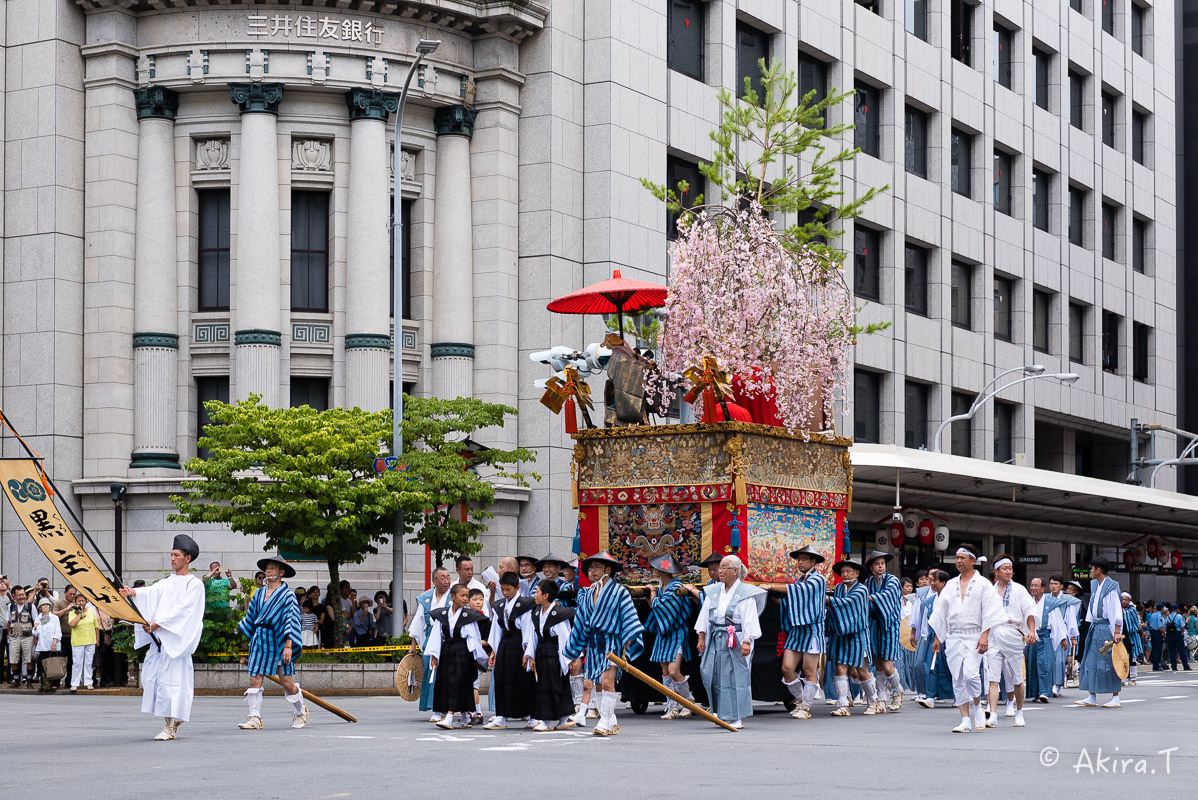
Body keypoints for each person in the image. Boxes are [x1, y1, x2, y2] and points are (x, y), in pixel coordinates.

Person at [119, 534, 207, 741]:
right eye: (171, 555)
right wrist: (133, 592)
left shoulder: (194, 584)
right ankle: (169, 723)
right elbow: (151, 592)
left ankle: (170, 727)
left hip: (175, 643)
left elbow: (185, 610)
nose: (172, 558)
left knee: (172, 683)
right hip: (161, 642)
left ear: (188, 558)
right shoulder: (168, 581)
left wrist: (159, 624)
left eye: (176, 555)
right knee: (156, 681)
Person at [562, 551, 645, 736]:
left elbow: (629, 618)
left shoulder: (620, 591)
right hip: (593, 643)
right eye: (590, 568)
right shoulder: (589, 592)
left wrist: (627, 640)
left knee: (608, 682)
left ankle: (605, 720)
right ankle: (609, 719)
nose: (591, 572)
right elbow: (581, 621)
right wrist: (574, 647)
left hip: (612, 641)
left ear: (608, 569)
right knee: (598, 683)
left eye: (596, 568)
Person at [929, 544, 1007, 733]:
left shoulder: (983, 584)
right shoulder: (951, 585)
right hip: (954, 635)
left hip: (974, 634)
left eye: (962, 558)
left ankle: (977, 705)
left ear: (973, 561)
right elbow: (941, 612)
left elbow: (991, 611)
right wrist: (938, 636)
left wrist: (985, 635)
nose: (958, 561)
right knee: (958, 677)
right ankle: (964, 719)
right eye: (956, 558)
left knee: (971, 674)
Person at [237, 555, 307, 730]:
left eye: (272, 568)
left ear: (281, 572)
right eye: (267, 568)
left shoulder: (288, 595)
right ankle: (254, 717)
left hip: (279, 640)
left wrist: (288, 645)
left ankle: (300, 712)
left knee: (286, 682)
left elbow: (291, 620)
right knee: (254, 679)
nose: (268, 571)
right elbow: (251, 616)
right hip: (260, 638)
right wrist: (246, 636)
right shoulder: (259, 593)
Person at [695, 555, 765, 730]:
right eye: (720, 567)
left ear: (735, 571)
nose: (720, 571)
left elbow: (750, 619)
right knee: (712, 672)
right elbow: (705, 615)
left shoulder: (745, 593)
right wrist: (701, 636)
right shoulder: (714, 591)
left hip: (736, 637)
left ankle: (736, 716)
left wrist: (747, 641)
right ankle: (721, 712)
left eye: (724, 567)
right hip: (716, 636)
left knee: (735, 677)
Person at [760, 544, 826, 720]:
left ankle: (806, 706)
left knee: (809, 670)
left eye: (805, 559)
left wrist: (771, 586)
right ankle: (800, 699)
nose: (800, 562)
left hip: (812, 628)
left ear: (813, 561)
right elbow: (790, 601)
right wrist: (771, 596)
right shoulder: (799, 580)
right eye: (799, 559)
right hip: (797, 629)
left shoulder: (817, 579)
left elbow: (798, 592)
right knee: (787, 668)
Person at [426, 584, 489, 730]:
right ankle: (466, 716)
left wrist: (476, 658)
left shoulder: (469, 616)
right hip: (447, 651)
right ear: (452, 597)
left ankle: (449, 716)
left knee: (458, 683)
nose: (465, 599)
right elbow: (436, 635)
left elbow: (474, 637)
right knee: (448, 683)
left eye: (467, 596)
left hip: (463, 653)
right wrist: (435, 655)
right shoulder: (442, 614)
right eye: (462, 595)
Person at [984, 555, 1036, 728]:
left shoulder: (1019, 590)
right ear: (996, 572)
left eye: (1010, 568)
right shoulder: (989, 591)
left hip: (1013, 633)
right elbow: (983, 615)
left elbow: (1029, 611)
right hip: (994, 634)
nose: (1008, 571)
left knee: (1017, 678)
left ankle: (1019, 711)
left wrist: (1032, 631)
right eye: (1004, 568)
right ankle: (992, 714)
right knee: (993, 679)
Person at [644, 553, 695, 720]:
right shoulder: (661, 588)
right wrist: (653, 595)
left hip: (676, 631)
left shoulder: (675, 587)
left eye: (657, 569)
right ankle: (671, 706)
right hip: (663, 632)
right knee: (665, 671)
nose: (655, 571)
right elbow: (657, 610)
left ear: (662, 571)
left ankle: (688, 701)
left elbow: (661, 607)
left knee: (674, 670)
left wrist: (652, 593)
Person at [826, 557, 879, 716]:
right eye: (843, 571)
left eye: (849, 571)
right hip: (841, 633)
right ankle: (842, 705)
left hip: (857, 633)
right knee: (840, 667)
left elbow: (846, 604)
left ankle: (872, 700)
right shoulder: (839, 588)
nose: (845, 574)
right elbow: (837, 606)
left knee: (862, 670)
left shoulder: (862, 589)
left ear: (856, 573)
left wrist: (827, 601)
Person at [483, 572, 536, 730]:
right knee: (501, 679)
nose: (505, 593)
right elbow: (496, 630)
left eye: (508, 589)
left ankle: (531, 715)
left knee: (523, 681)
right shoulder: (499, 605)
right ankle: (501, 715)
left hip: (519, 645)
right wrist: (493, 651)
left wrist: (527, 653)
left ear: (517, 587)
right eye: (503, 589)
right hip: (504, 645)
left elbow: (528, 628)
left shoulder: (526, 604)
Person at [528, 580, 577, 730]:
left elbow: (565, 637)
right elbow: (533, 635)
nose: (535, 595)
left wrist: (569, 658)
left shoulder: (558, 614)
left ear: (546, 595)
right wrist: (530, 655)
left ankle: (552, 720)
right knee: (543, 685)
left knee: (555, 685)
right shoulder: (536, 612)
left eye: (537, 591)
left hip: (555, 653)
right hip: (541, 651)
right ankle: (556, 719)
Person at [1075, 557, 1123, 708]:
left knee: (1109, 661)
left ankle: (1115, 697)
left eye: (1092, 568)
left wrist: (1116, 631)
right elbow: (1092, 608)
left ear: (1098, 570)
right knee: (1091, 661)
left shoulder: (1111, 586)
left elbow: (1116, 609)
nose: (1090, 571)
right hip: (1095, 627)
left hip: (1106, 627)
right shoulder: (1096, 586)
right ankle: (1092, 695)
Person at [409, 567, 453, 720]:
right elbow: (418, 621)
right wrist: (413, 644)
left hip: (448, 637)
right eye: (442, 578)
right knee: (431, 672)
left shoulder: (454, 595)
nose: (446, 581)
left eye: (448, 577)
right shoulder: (426, 597)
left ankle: (447, 708)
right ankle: (435, 707)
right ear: (434, 580)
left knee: (446, 673)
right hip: (430, 637)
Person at [863, 550, 904, 711]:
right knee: (877, 663)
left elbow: (886, 597)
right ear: (871, 566)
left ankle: (897, 691)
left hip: (889, 625)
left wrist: (866, 597)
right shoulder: (868, 583)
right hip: (874, 624)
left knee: (887, 665)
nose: (880, 566)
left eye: (882, 564)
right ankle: (881, 698)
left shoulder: (893, 580)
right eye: (877, 564)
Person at [912, 569, 953, 708]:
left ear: (943, 583)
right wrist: (923, 637)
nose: (932, 583)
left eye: (935, 580)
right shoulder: (930, 600)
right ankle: (930, 696)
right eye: (932, 580)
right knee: (930, 665)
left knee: (950, 667)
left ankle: (957, 697)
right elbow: (925, 621)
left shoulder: (951, 599)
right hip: (932, 637)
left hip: (948, 637)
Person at [1027, 577, 1067, 702]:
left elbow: (1057, 621)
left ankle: (1044, 692)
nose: (1033, 588)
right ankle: (1035, 692)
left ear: (1043, 588)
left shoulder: (1050, 602)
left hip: (1045, 636)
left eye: (1036, 585)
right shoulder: (1027, 601)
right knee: (1032, 664)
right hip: (1031, 636)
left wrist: (1062, 639)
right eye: (1032, 585)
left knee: (1044, 664)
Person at [1048, 575, 1081, 693]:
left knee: (1060, 660)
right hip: (1049, 633)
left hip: (1064, 633)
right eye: (1051, 584)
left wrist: (1072, 636)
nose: (1053, 586)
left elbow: (1071, 619)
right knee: (1050, 660)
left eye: (1056, 584)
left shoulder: (1068, 600)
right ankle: (1052, 684)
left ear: (1061, 586)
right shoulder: (1046, 598)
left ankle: (1057, 685)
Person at [67, 593, 99, 692]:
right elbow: (72, 624)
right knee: (77, 663)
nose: (81, 602)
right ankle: (75, 683)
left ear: (86, 601)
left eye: (83, 600)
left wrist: (97, 640)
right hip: (78, 641)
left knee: (89, 662)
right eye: (79, 601)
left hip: (90, 640)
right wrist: (79, 614)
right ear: (75, 603)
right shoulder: (72, 613)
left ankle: (88, 682)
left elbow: (96, 627)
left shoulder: (91, 612)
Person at [6, 585, 34, 687]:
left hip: (28, 636)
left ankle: (29, 681)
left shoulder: (31, 606)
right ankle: (16, 680)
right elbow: (9, 622)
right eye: (19, 595)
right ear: (14, 596)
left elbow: (35, 622)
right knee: (13, 659)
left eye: (23, 594)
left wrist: (35, 637)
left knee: (29, 659)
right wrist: (8, 636)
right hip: (14, 636)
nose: (22, 597)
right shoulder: (10, 606)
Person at [32, 598, 62, 692]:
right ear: (40, 607)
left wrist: (54, 643)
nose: (45, 607)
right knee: (43, 666)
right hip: (42, 645)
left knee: (54, 664)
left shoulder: (54, 617)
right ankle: (45, 684)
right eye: (43, 605)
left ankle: (55, 684)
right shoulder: (38, 618)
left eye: (47, 605)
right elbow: (35, 633)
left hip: (53, 645)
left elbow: (57, 631)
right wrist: (35, 627)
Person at [52, 585, 78, 683]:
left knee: (72, 661)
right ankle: (56, 681)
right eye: (70, 594)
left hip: (74, 637)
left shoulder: (77, 604)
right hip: (62, 636)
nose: (72, 596)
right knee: (59, 660)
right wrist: (66, 609)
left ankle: (70, 681)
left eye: (74, 594)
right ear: (65, 593)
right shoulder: (59, 603)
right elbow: (54, 615)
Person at [1120, 592, 1145, 686]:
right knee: (1122, 658)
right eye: (1122, 599)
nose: (1124, 601)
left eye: (1126, 600)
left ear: (1129, 601)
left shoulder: (1132, 610)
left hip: (1131, 637)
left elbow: (1135, 624)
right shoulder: (1117, 609)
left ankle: (1133, 677)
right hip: (1121, 637)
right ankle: (1122, 677)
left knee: (1132, 658)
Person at [1166, 604, 1191, 671]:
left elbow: (1165, 627)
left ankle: (1174, 666)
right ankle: (1185, 666)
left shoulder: (1167, 617)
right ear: (1177, 609)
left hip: (1170, 635)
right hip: (1177, 634)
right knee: (1181, 650)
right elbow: (1182, 626)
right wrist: (1182, 632)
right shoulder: (1179, 616)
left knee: (1172, 651)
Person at [1146, 601, 1165, 671]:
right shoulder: (1159, 615)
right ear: (1162, 608)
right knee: (1158, 650)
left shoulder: (1153, 614)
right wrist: (1164, 632)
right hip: (1157, 633)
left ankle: (1155, 665)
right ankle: (1156, 665)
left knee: (1154, 649)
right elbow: (1160, 627)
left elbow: (1150, 624)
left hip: (1152, 632)